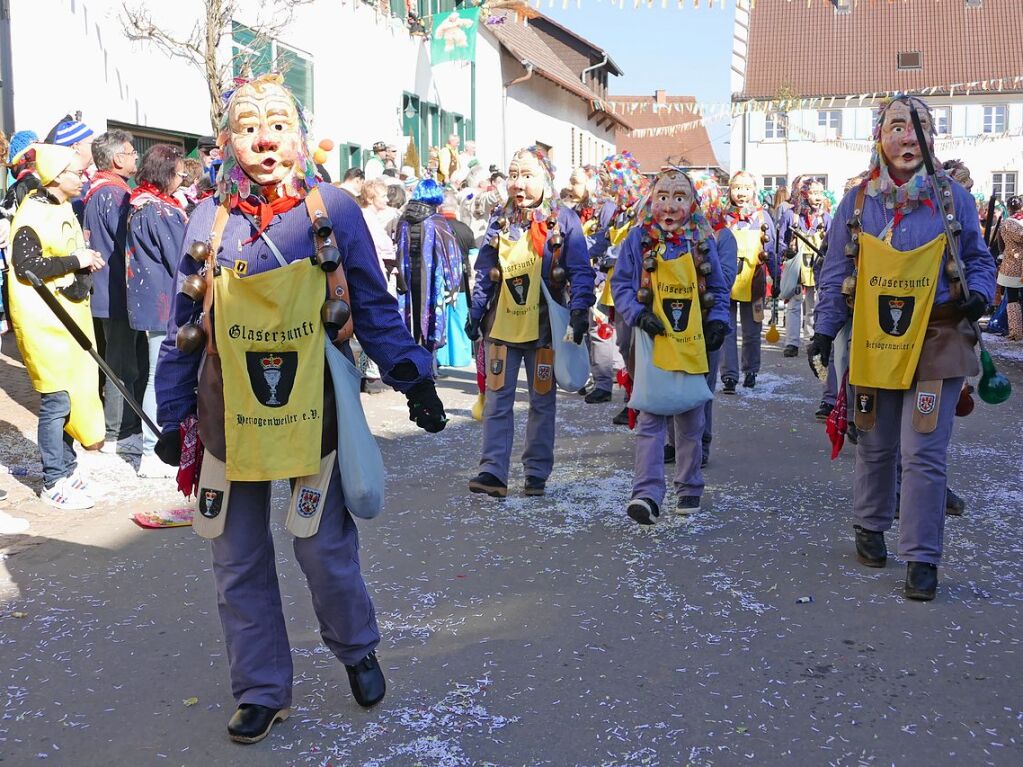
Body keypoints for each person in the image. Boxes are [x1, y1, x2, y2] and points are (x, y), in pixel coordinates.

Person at [153, 74, 447, 744]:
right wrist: (174, 415)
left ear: (298, 136)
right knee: (237, 554)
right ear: (228, 140)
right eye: (249, 124)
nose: (264, 137)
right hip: (229, 408)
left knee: (322, 546)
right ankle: (260, 688)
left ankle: (355, 646)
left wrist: (412, 376)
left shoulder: (333, 208)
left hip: (311, 405)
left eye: (278, 123)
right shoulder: (207, 219)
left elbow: (370, 301)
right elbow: (184, 322)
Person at [810, 95, 996, 601]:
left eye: (918, 128)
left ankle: (922, 557)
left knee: (924, 451)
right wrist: (825, 331)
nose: (907, 137)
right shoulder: (856, 202)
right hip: (875, 339)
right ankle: (869, 524)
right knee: (875, 441)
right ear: (880, 136)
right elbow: (835, 273)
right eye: (897, 127)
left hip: (937, 336)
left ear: (932, 139)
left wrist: (980, 292)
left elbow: (979, 258)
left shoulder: (953, 198)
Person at [465, 146, 594, 497]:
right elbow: (484, 271)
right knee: (496, 399)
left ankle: (536, 472)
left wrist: (580, 309)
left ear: (545, 180)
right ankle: (492, 471)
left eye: (527, 175)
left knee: (541, 401)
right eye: (514, 175)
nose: (518, 183)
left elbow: (581, 269)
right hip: (501, 328)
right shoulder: (499, 218)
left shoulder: (564, 219)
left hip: (543, 329)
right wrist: (475, 312)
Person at [611, 168, 730, 523]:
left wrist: (718, 322)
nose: (670, 205)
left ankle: (689, 487)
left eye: (679, 197)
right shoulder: (637, 239)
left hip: (692, 340)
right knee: (650, 416)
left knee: (690, 417)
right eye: (663, 196)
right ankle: (646, 494)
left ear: (691, 203)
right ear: (652, 200)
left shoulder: (702, 241)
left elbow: (719, 289)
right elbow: (621, 285)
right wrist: (636, 314)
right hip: (652, 341)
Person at [8, 144, 106, 509]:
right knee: (56, 399)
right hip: (45, 322)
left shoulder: (63, 207)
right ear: (57, 176)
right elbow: (26, 266)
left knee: (73, 393)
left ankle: (68, 468)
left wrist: (83, 263)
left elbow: (63, 253)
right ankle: (52, 480)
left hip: (68, 316)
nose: (82, 178)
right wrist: (74, 260)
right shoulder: (32, 213)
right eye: (76, 173)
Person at [82, 130, 147, 456]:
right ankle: (118, 432)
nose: (136, 156)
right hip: (117, 293)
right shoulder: (113, 194)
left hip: (110, 292)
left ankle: (123, 427)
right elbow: (129, 244)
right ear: (117, 158)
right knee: (122, 366)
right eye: (131, 151)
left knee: (121, 361)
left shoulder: (100, 191)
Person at [126, 144, 188, 478]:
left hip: (153, 300)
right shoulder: (158, 211)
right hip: (163, 301)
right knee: (158, 374)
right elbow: (181, 255)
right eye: (179, 174)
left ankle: (151, 442)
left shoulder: (143, 203)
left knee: (154, 372)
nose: (182, 180)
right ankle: (153, 448)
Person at [593, 152, 647, 425]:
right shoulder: (618, 211)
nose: (604, 187)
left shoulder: (644, 207)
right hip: (616, 287)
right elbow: (605, 241)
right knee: (624, 346)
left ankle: (637, 401)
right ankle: (631, 399)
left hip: (637, 289)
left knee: (633, 347)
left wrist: (615, 254)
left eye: (607, 181)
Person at [718, 171, 777, 393]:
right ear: (730, 190)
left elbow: (772, 249)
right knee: (727, 329)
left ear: (754, 190)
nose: (741, 193)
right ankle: (729, 375)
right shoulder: (722, 217)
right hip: (726, 283)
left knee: (752, 331)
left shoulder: (762, 217)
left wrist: (776, 277)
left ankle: (751, 370)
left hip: (755, 282)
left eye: (746, 188)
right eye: (737, 188)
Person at [565, 166, 617, 404]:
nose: (571, 186)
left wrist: (597, 275)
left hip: (597, 277)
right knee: (582, 328)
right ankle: (587, 376)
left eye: (576, 182)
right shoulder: (577, 210)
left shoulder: (607, 209)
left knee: (599, 332)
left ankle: (604, 383)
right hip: (580, 278)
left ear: (591, 184)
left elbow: (607, 242)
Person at [393, 179, 461, 355]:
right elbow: (452, 256)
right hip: (430, 282)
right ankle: (427, 363)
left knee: (410, 324)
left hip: (406, 282)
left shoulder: (403, 220)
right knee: (428, 327)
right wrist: (453, 287)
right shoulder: (437, 220)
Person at [778, 177, 830, 358]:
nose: (817, 197)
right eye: (813, 192)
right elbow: (782, 242)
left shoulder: (826, 217)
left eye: (820, 193)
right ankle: (792, 342)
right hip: (797, 265)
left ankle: (811, 338)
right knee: (794, 304)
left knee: (814, 304)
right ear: (804, 193)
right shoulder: (791, 215)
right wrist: (783, 261)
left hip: (817, 265)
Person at [996, 195, 1023, 340]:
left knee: (1012, 299)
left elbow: (1000, 245)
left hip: (1011, 264)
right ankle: (1016, 331)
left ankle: (1016, 331)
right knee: (1013, 298)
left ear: (1009, 207)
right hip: (1015, 265)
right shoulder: (1012, 223)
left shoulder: (1006, 223)